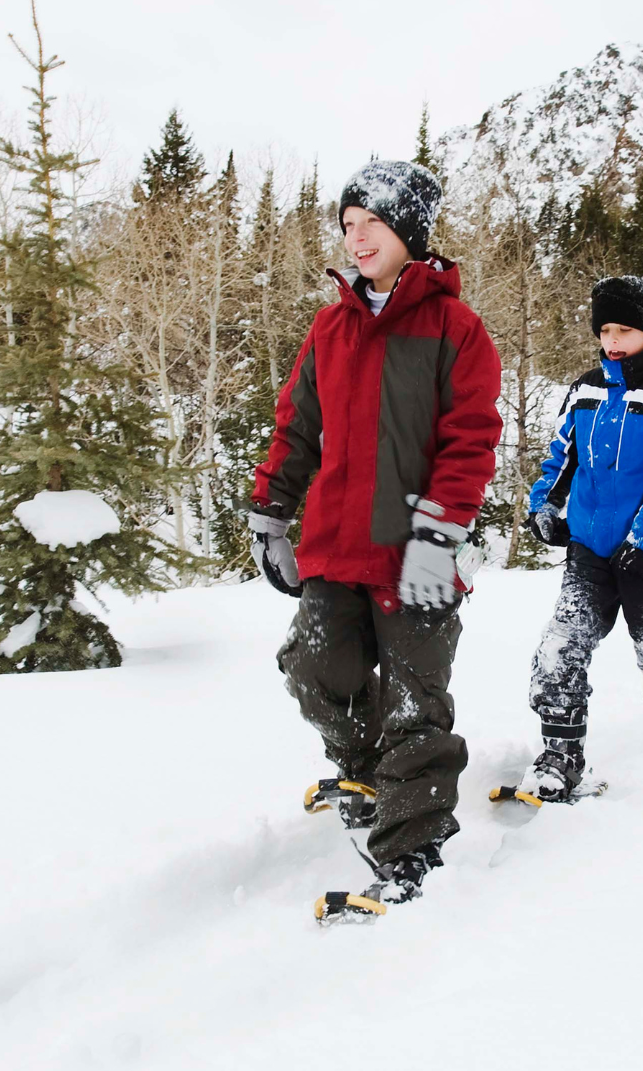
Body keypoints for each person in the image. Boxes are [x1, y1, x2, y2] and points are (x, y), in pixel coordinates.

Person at [248, 159, 502, 908]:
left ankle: (411, 850)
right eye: (348, 227)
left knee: (415, 703)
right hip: (336, 543)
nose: (357, 239)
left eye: (372, 225)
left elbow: (471, 441)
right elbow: (296, 427)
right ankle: (361, 766)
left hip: (416, 551)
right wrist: (271, 512)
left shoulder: (455, 328)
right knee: (313, 667)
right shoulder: (330, 326)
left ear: (409, 231)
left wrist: (439, 533)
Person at [513, 275, 643, 802]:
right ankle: (559, 758)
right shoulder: (585, 389)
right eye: (605, 329)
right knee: (560, 648)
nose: (612, 341)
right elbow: (562, 457)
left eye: (624, 329)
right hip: (589, 549)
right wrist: (546, 506)